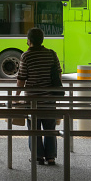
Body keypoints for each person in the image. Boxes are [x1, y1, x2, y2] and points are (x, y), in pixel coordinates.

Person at [16, 27, 62, 166]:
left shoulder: (26, 56)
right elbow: (58, 74)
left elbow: (22, 78)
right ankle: (51, 157)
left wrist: (16, 96)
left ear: (29, 41)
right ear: (42, 40)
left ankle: (38, 156)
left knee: (34, 128)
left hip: (32, 100)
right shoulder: (52, 54)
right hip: (49, 99)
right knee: (50, 128)